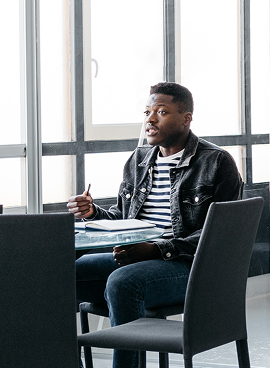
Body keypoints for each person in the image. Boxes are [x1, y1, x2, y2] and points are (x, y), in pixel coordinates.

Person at [69, 82, 244, 368]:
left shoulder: (216, 162)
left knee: (122, 282)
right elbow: (122, 219)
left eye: (161, 112)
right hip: (138, 256)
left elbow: (220, 236)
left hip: (191, 266)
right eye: (147, 112)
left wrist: (156, 250)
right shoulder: (139, 159)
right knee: (61, 274)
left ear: (186, 118)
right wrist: (92, 212)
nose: (150, 120)